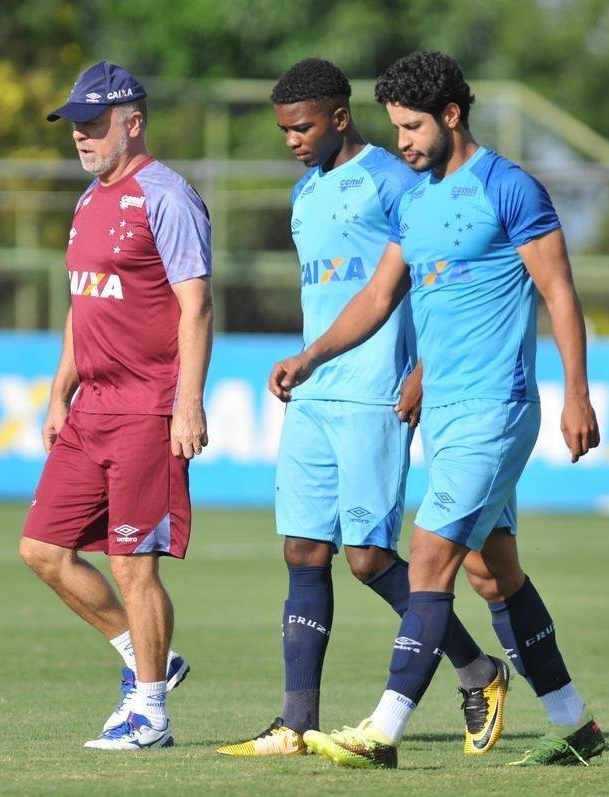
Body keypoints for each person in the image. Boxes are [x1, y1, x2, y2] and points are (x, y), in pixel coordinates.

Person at [270, 51, 606, 769]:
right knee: (494, 573)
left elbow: (560, 292)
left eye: (414, 126)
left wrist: (578, 391)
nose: (404, 142)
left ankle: (382, 731)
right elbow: (377, 298)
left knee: (427, 554)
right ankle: (574, 722)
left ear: (452, 116)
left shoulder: (509, 188)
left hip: (497, 406)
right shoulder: (417, 201)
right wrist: (314, 356)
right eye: (396, 127)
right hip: (445, 412)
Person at [217, 58, 509, 760]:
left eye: (303, 126)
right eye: (284, 128)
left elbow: (435, 277)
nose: (291, 139)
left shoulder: (394, 180)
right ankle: (294, 722)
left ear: (339, 118)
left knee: (370, 557)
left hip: (376, 390)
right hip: (314, 390)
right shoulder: (305, 194)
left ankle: (478, 669)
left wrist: (423, 366)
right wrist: (305, 359)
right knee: (302, 550)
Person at [18, 60, 213, 752]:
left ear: (133, 122)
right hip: (91, 407)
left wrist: (188, 402)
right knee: (41, 549)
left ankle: (151, 714)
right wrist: (58, 390)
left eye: (94, 124)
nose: (81, 136)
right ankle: (147, 661)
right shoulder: (87, 200)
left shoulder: (167, 196)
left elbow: (196, 305)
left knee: (135, 564)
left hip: (146, 408)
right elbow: (84, 303)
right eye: (75, 125)